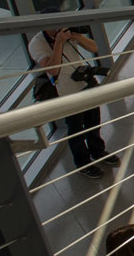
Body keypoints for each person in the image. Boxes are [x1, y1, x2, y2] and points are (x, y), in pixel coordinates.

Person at [28, 9, 119, 179]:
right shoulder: (36, 44)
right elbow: (53, 69)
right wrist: (58, 43)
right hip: (66, 92)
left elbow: (94, 47)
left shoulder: (68, 31)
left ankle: (98, 152)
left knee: (93, 121)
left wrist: (77, 37)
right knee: (76, 129)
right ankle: (83, 164)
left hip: (85, 81)